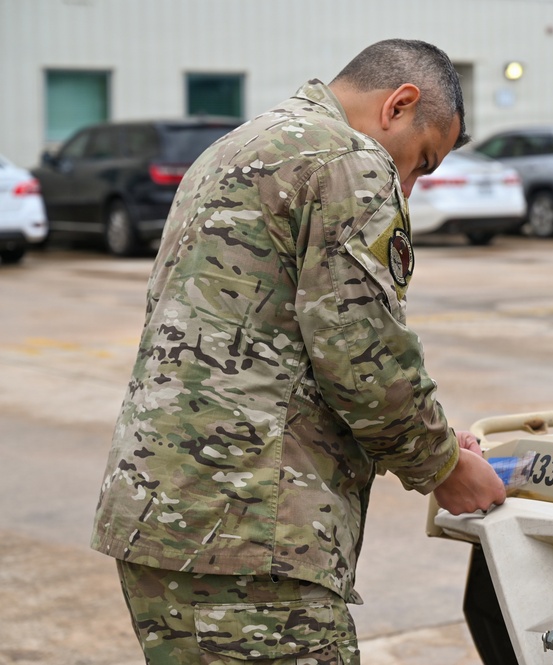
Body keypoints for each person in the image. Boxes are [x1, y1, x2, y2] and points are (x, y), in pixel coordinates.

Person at [90, 39, 507, 664]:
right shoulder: (349, 161)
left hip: (164, 515)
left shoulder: (237, 147)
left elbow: (266, 343)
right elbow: (361, 355)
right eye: (422, 161)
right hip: (253, 534)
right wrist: (443, 465)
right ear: (399, 104)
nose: (412, 186)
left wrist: (436, 436)